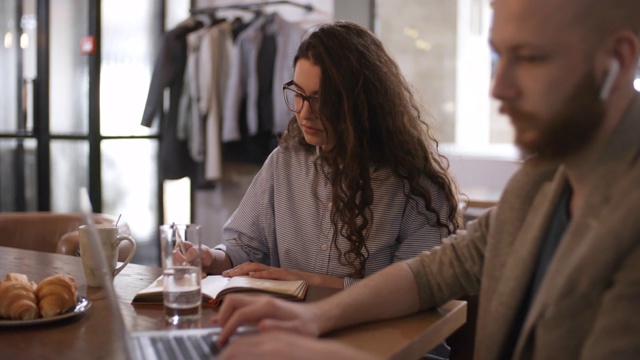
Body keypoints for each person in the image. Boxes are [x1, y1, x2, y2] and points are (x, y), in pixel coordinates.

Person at [211, 0, 640, 358]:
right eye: (498, 56)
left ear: (616, 62)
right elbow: (431, 274)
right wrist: (310, 317)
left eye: (530, 58)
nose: (498, 88)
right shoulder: (540, 183)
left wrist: (320, 352)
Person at [176, 21, 461, 289]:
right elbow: (246, 249)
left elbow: (415, 289)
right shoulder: (284, 163)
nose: (304, 112)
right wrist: (212, 258)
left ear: (361, 103)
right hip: (299, 331)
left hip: (382, 338)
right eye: (298, 94)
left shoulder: (414, 184)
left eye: (322, 99)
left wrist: (303, 281)